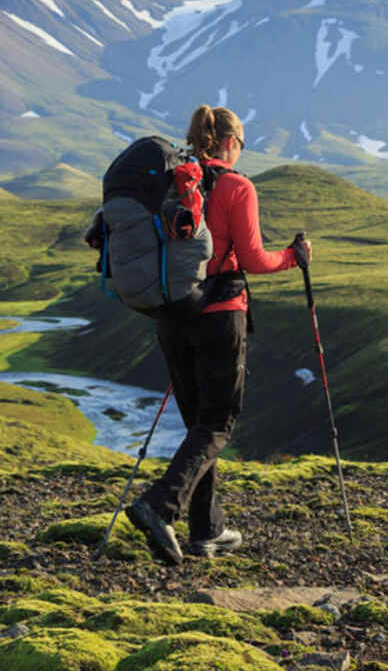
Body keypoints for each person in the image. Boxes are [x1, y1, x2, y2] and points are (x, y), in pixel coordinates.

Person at [127, 104, 309, 565]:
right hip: (220, 314)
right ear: (231, 143)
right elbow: (252, 260)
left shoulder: (169, 185)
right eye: (242, 145)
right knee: (219, 422)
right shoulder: (236, 186)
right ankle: (159, 505)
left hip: (172, 316)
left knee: (199, 426)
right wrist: (293, 256)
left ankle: (207, 530)